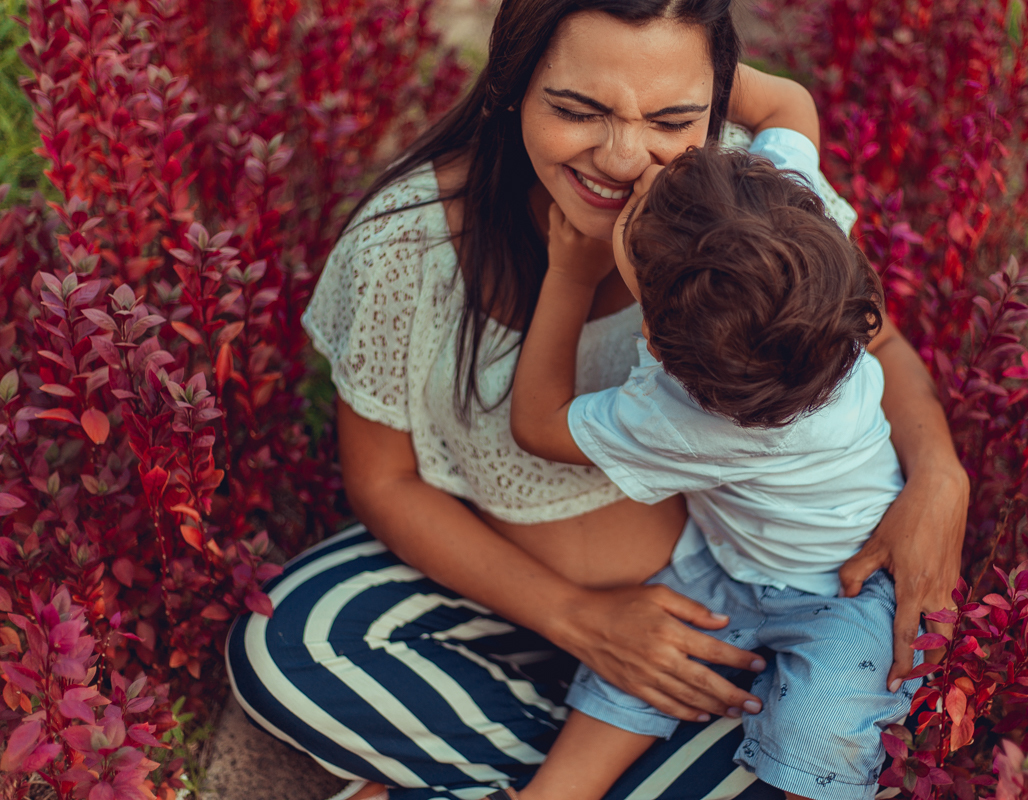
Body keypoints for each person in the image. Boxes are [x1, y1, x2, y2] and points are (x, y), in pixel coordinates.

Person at [224, 0, 969, 798]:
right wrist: (577, 618)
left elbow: (874, 345)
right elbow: (383, 480)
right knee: (289, 646)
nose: (621, 158)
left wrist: (939, 475)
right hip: (519, 593)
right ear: (511, 84)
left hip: (727, 618)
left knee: (812, 738)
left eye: (674, 116)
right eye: (578, 110)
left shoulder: (752, 206)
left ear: (716, 102)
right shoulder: (407, 244)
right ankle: (650, 763)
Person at [505, 138, 916, 800]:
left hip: (850, 587)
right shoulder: (805, 250)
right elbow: (788, 113)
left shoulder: (673, 414)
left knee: (807, 734)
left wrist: (571, 277)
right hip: (743, 564)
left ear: (654, 342)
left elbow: (536, 423)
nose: (642, 167)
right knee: (812, 734)